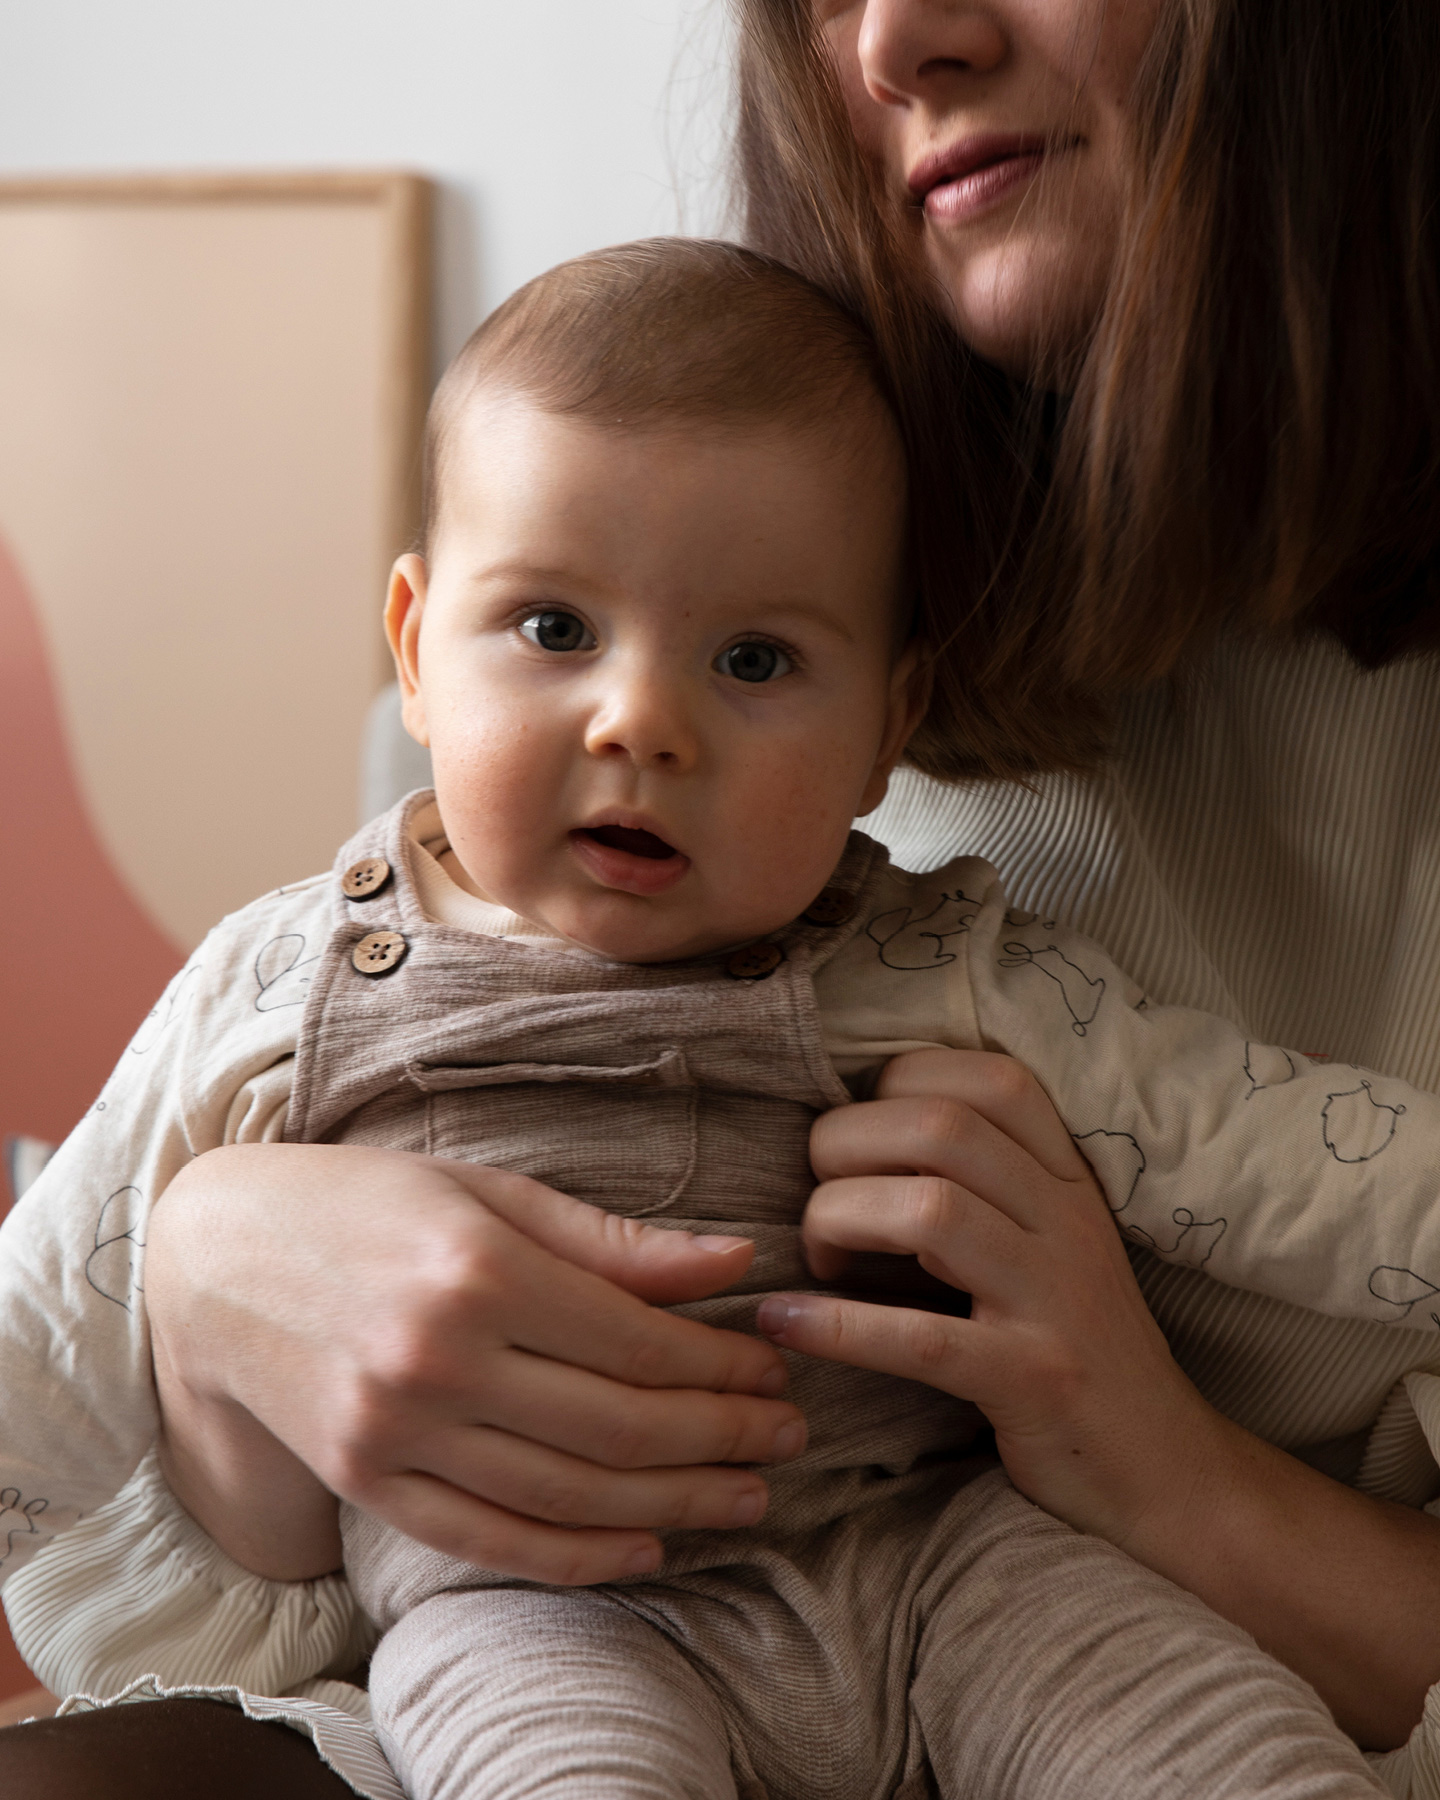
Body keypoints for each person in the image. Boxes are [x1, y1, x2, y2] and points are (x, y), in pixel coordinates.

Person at [4, 0, 1438, 1794]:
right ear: (412, 650)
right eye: (549, 631)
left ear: (882, 719)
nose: (638, 722)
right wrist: (213, 1278)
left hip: (953, 1566)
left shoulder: (926, 949)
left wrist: (1157, 1461)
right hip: (536, 1613)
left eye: (756, 659)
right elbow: (50, 1334)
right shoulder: (294, 978)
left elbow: (1258, 1149)